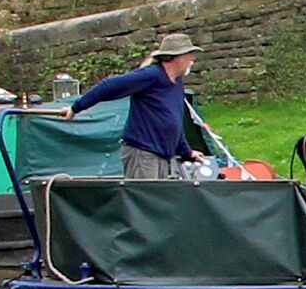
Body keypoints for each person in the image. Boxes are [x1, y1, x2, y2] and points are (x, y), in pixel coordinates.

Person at [77, 33, 214, 179]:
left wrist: (186, 151)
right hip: (142, 155)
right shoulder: (150, 75)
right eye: (189, 55)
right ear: (177, 57)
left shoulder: (176, 82)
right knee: (143, 199)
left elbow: (174, 120)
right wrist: (76, 108)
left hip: (165, 157)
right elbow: (109, 85)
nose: (192, 59)